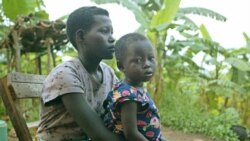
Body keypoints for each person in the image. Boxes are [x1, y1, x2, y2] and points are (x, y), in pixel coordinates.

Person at [37, 6, 125, 141]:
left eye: (111, 32)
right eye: (104, 31)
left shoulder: (108, 73)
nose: (112, 38)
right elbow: (99, 135)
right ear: (81, 36)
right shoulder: (65, 74)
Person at [102, 33, 167, 141]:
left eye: (151, 58)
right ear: (121, 66)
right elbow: (131, 134)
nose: (147, 64)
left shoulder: (136, 88)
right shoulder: (128, 96)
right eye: (138, 60)